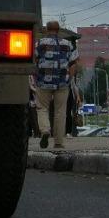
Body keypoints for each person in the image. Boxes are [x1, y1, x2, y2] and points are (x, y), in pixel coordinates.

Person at [32, 19, 79, 149]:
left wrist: (36, 76)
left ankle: (45, 130)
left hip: (43, 82)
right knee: (60, 112)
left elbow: (34, 60)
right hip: (62, 82)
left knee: (42, 108)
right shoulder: (68, 44)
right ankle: (58, 142)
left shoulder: (39, 44)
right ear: (58, 30)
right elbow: (73, 63)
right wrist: (69, 78)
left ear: (47, 30)